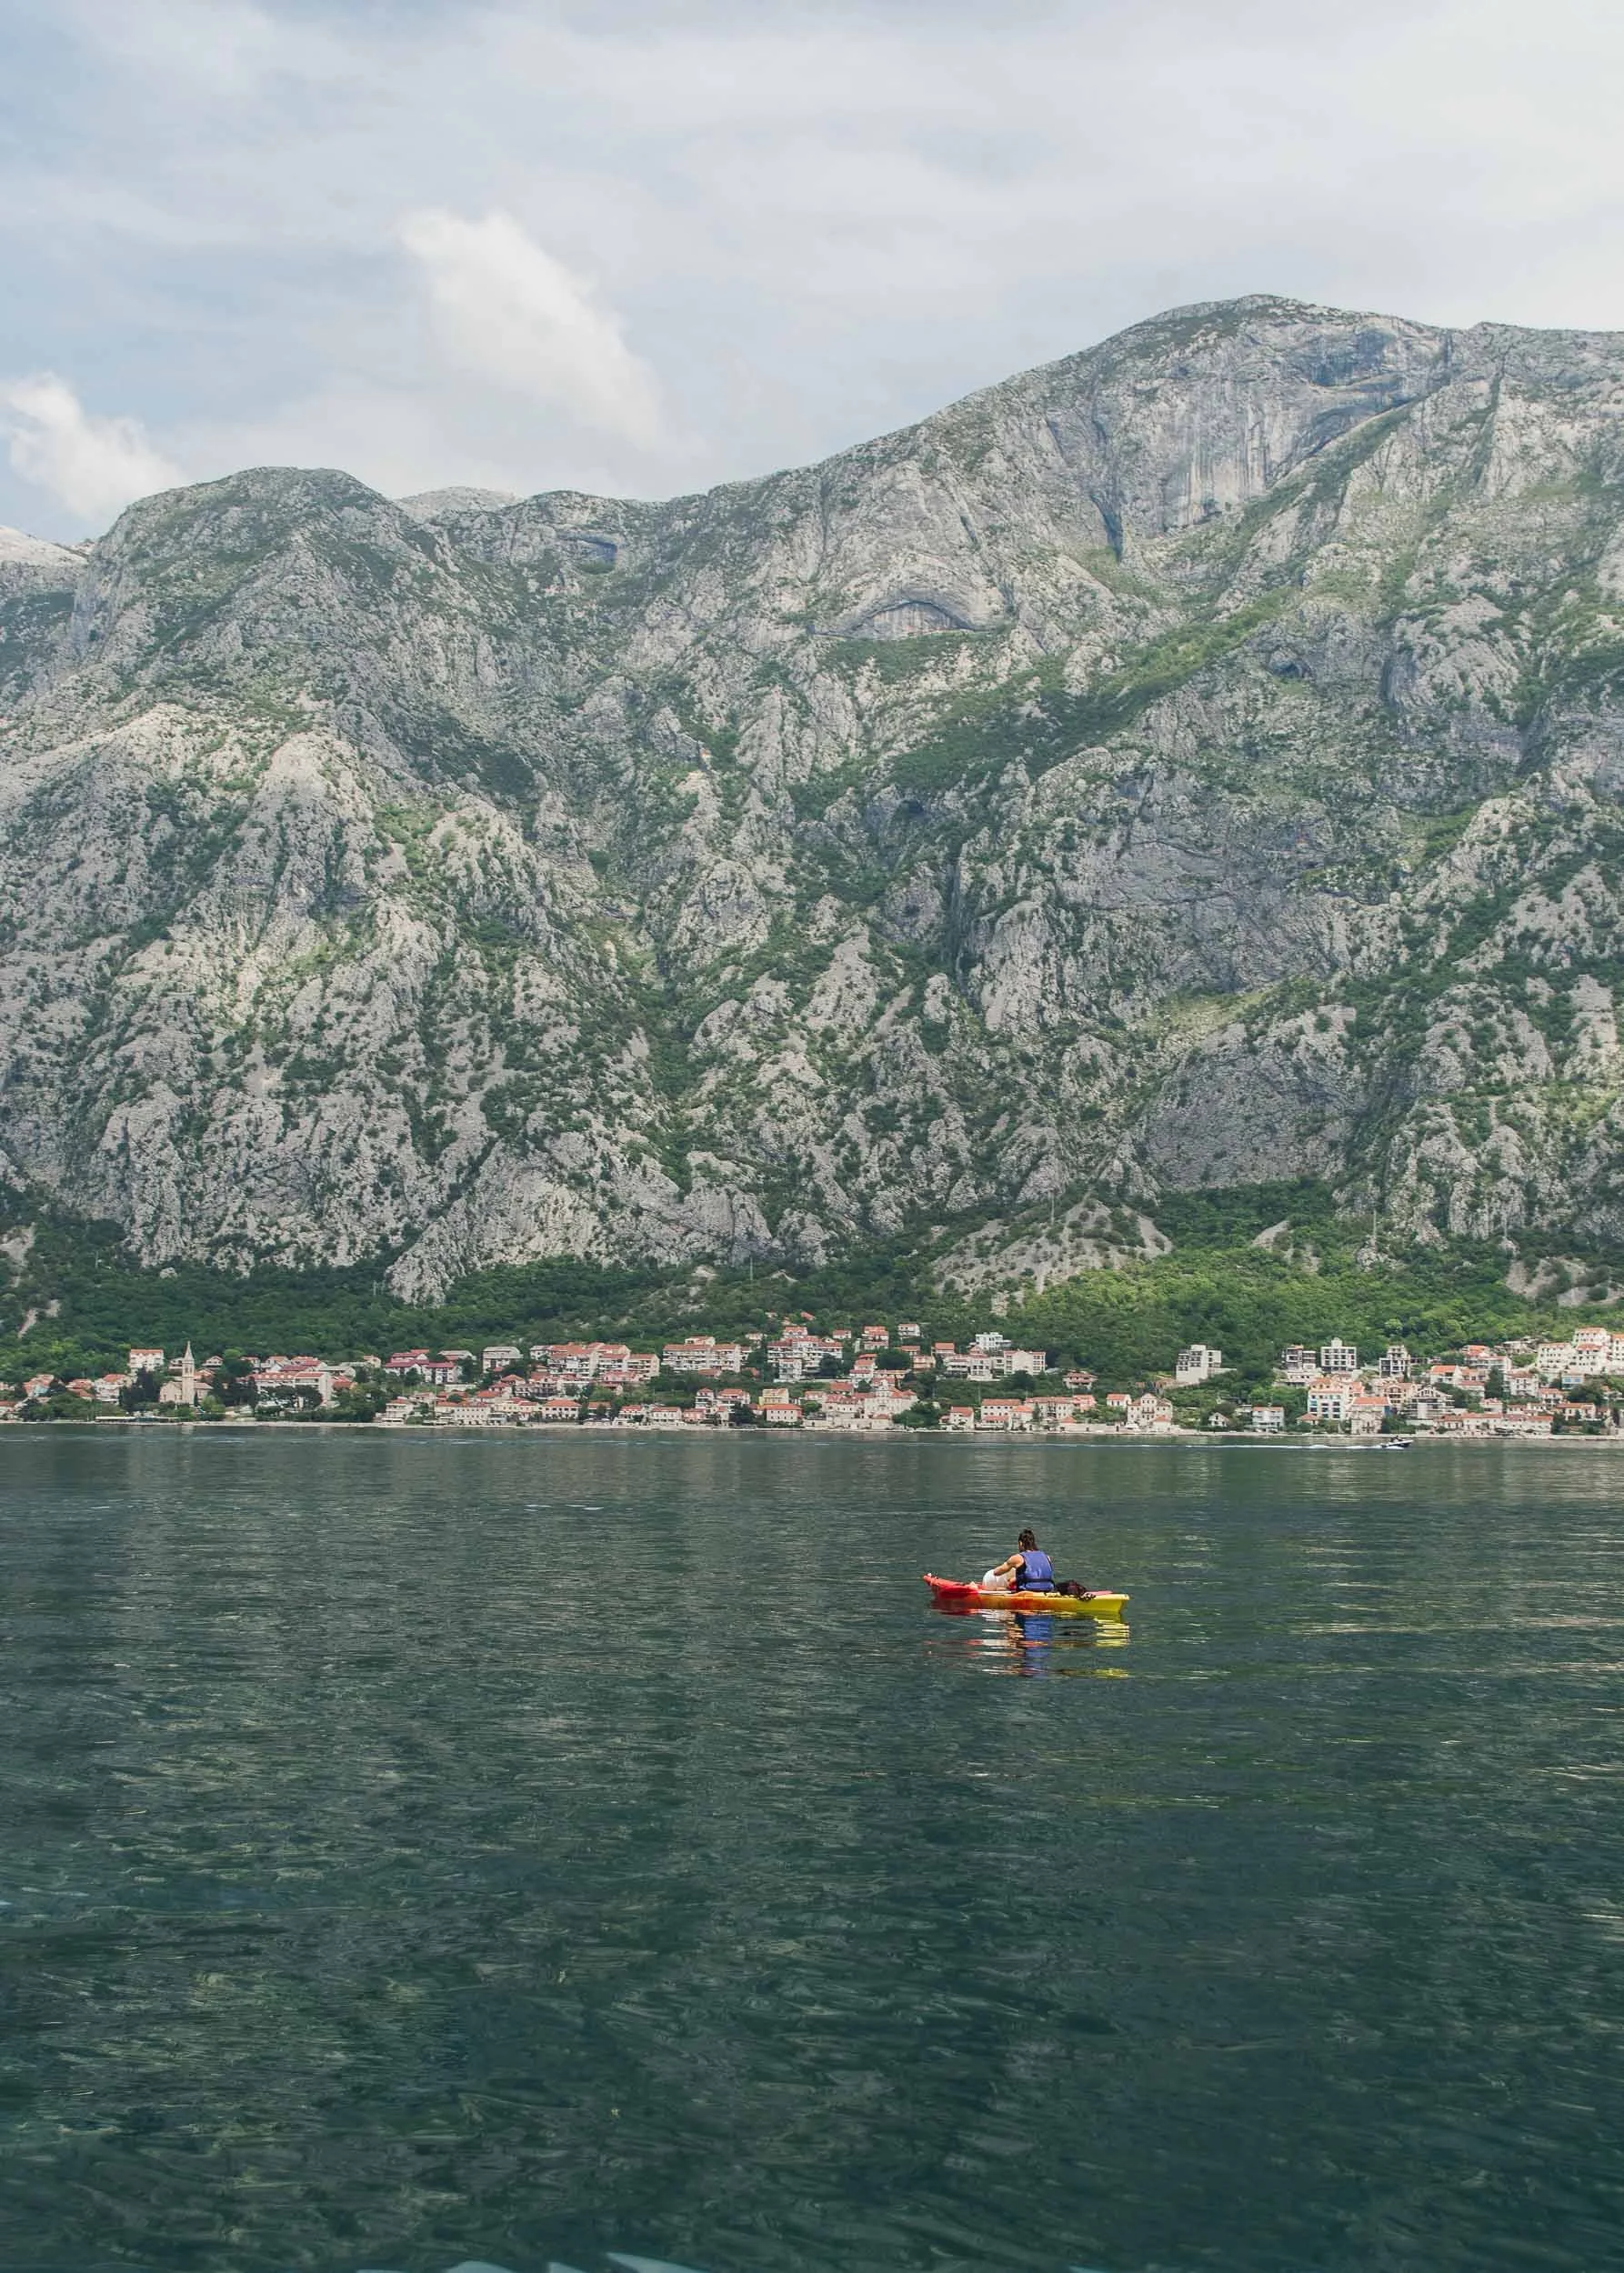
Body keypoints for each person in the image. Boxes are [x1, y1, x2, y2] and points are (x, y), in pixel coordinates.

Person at [989, 1527, 1055, 1594]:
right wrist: (1015, 1579)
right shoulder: (1047, 1557)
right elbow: (1037, 1575)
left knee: (998, 1589)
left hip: (1028, 1592)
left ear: (1020, 1543)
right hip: (1048, 1591)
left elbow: (996, 1573)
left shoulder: (1018, 1558)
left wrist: (993, 1572)